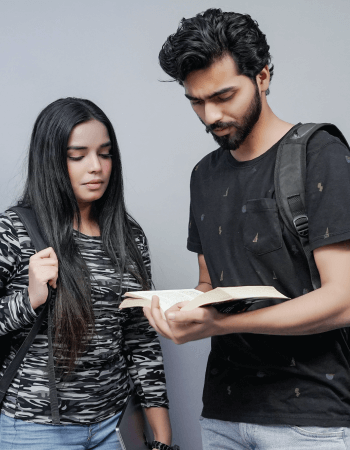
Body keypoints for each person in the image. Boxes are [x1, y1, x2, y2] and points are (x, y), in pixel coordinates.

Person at [143, 8, 350, 450]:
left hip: (310, 419)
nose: (210, 115)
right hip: (223, 412)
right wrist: (181, 313)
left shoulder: (320, 153)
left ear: (262, 77)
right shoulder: (203, 175)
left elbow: (343, 301)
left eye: (223, 96)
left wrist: (216, 326)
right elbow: (208, 284)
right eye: (196, 101)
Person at [0, 98, 173, 450]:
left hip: (113, 425)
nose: (96, 167)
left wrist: (162, 433)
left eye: (105, 153)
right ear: (50, 160)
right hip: (34, 429)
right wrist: (29, 299)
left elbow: (140, 339)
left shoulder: (128, 235)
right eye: (77, 156)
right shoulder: (15, 229)